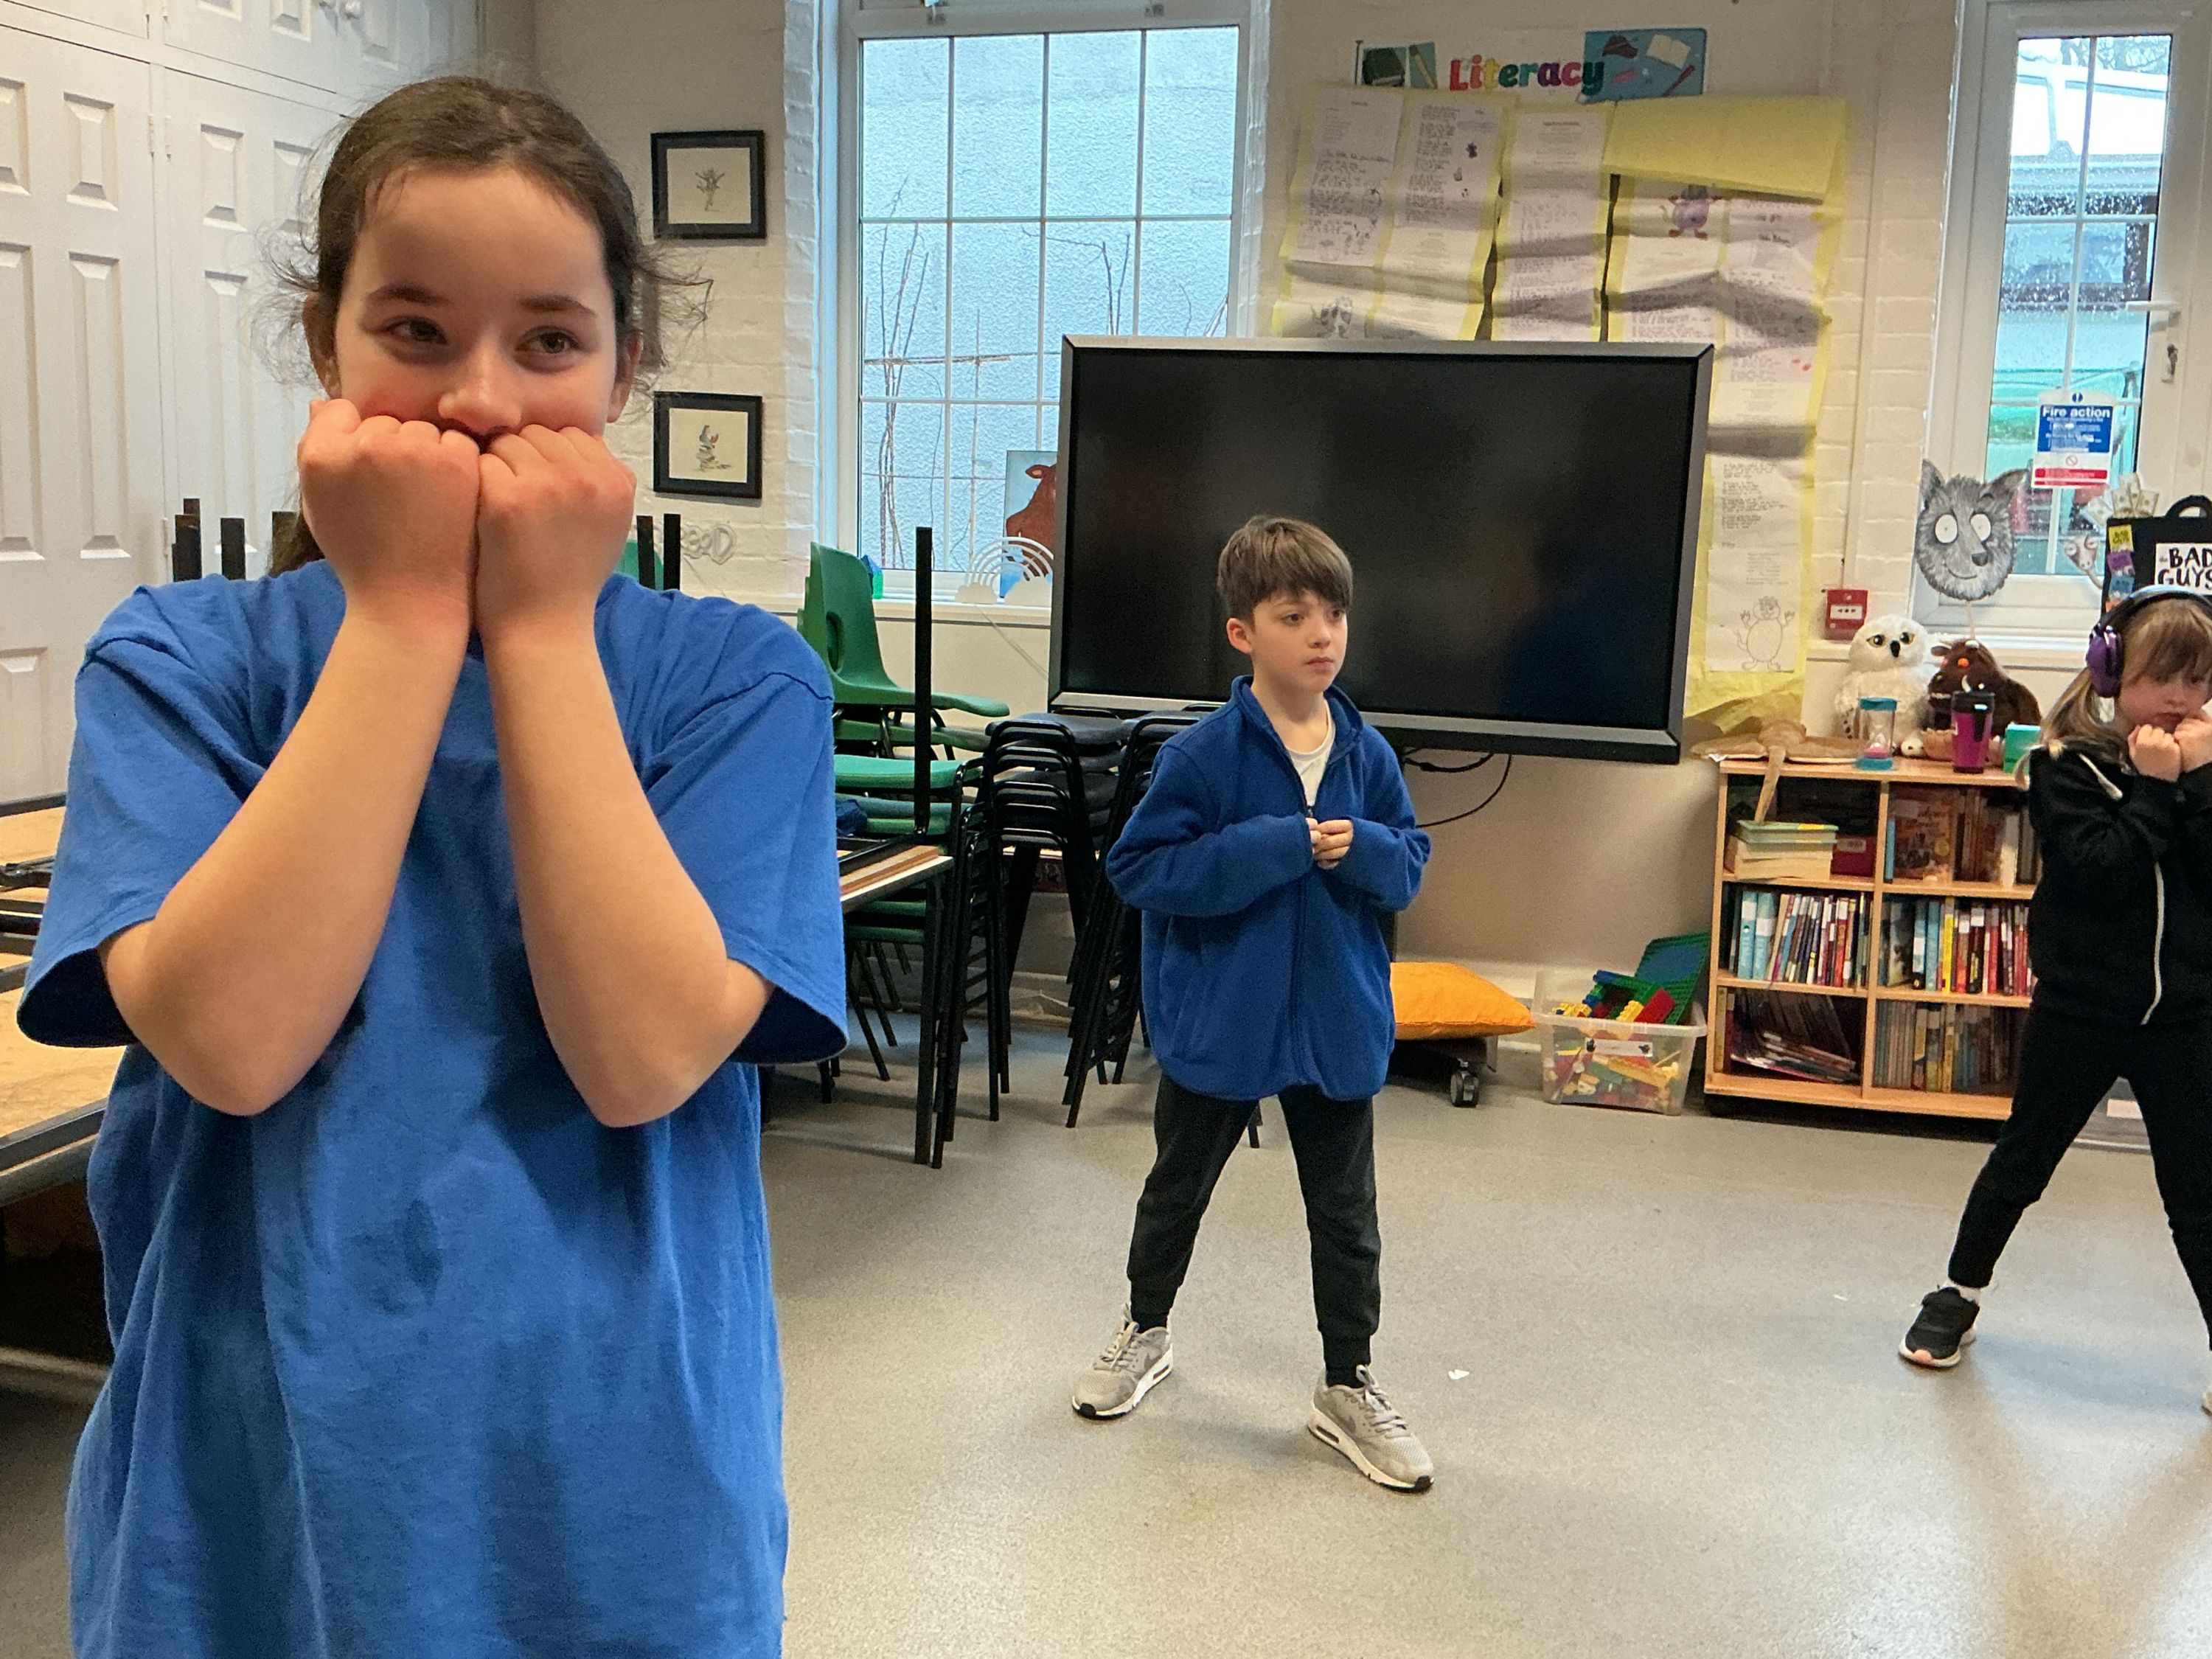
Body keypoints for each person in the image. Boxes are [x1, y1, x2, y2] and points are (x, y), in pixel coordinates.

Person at [18, 77, 844, 1658]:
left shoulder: (736, 685)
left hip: (616, 1509)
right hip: (242, 1505)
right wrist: (401, 618)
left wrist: (538, 634)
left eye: (549, 342)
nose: (478, 400)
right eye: (415, 330)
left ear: (626, 365)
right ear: (324, 337)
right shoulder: (186, 662)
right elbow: (233, 1042)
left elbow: (642, 1059)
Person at [1070, 515, 1436, 1492]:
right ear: (1243, 633)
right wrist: (1272, 847)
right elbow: (1141, 867)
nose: (1322, 634)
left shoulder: (1369, 755)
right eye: (1293, 615)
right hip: (1221, 1025)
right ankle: (1145, 1329)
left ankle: (1348, 1383)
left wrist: (1363, 847)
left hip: (1336, 1023)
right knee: (1176, 1188)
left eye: (1334, 615)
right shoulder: (1202, 757)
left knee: (1346, 1214)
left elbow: (1408, 867)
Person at [1901, 587, 2212, 1415]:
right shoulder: (2063, 767)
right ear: (2111, 675)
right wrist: (2155, 789)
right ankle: (1956, 1293)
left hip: (2182, 1018)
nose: (2180, 697)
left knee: (2198, 1192)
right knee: (2023, 1161)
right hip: (2081, 1010)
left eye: (2198, 680)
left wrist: (2200, 784)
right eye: (2161, 677)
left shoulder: (2204, 768)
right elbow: (2104, 872)